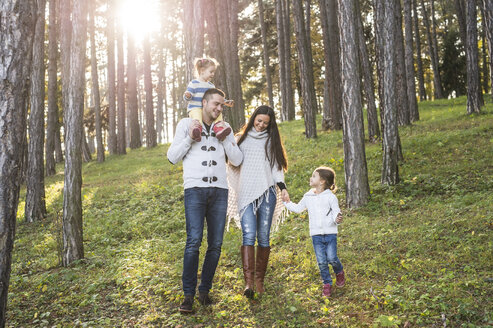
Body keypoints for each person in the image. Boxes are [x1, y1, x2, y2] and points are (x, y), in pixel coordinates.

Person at [167, 88, 243, 313]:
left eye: (222, 105)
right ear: (204, 103)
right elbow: (172, 157)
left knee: (216, 245)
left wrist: (227, 138)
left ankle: (204, 290)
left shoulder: (224, 127)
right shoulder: (185, 124)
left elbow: (237, 159)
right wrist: (191, 138)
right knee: (193, 241)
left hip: (219, 190)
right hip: (195, 189)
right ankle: (188, 296)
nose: (219, 109)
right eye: (216, 104)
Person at [227, 105, 289, 299]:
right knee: (248, 234)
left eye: (265, 123)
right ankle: (248, 283)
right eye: (259, 120)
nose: (261, 125)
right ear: (253, 118)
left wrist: (283, 188)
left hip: (267, 193)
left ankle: (259, 281)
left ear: (270, 125)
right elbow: (234, 163)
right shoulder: (240, 139)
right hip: (246, 194)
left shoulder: (271, 141)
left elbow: (276, 168)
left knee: (263, 236)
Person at [284, 166, 345, 297]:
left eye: (314, 176)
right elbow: (299, 208)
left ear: (322, 181)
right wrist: (287, 203)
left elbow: (336, 212)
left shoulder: (331, 197)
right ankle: (327, 284)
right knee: (322, 261)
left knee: (332, 258)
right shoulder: (308, 196)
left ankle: (339, 271)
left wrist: (337, 219)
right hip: (316, 235)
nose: (311, 178)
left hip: (330, 233)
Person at [183, 58, 233, 142]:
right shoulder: (194, 83)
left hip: (207, 110)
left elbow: (216, 98)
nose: (213, 74)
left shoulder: (211, 86)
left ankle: (219, 130)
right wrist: (188, 95)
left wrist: (225, 102)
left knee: (218, 113)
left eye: (214, 72)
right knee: (197, 117)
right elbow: (187, 97)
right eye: (211, 72)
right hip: (195, 108)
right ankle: (197, 132)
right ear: (202, 70)